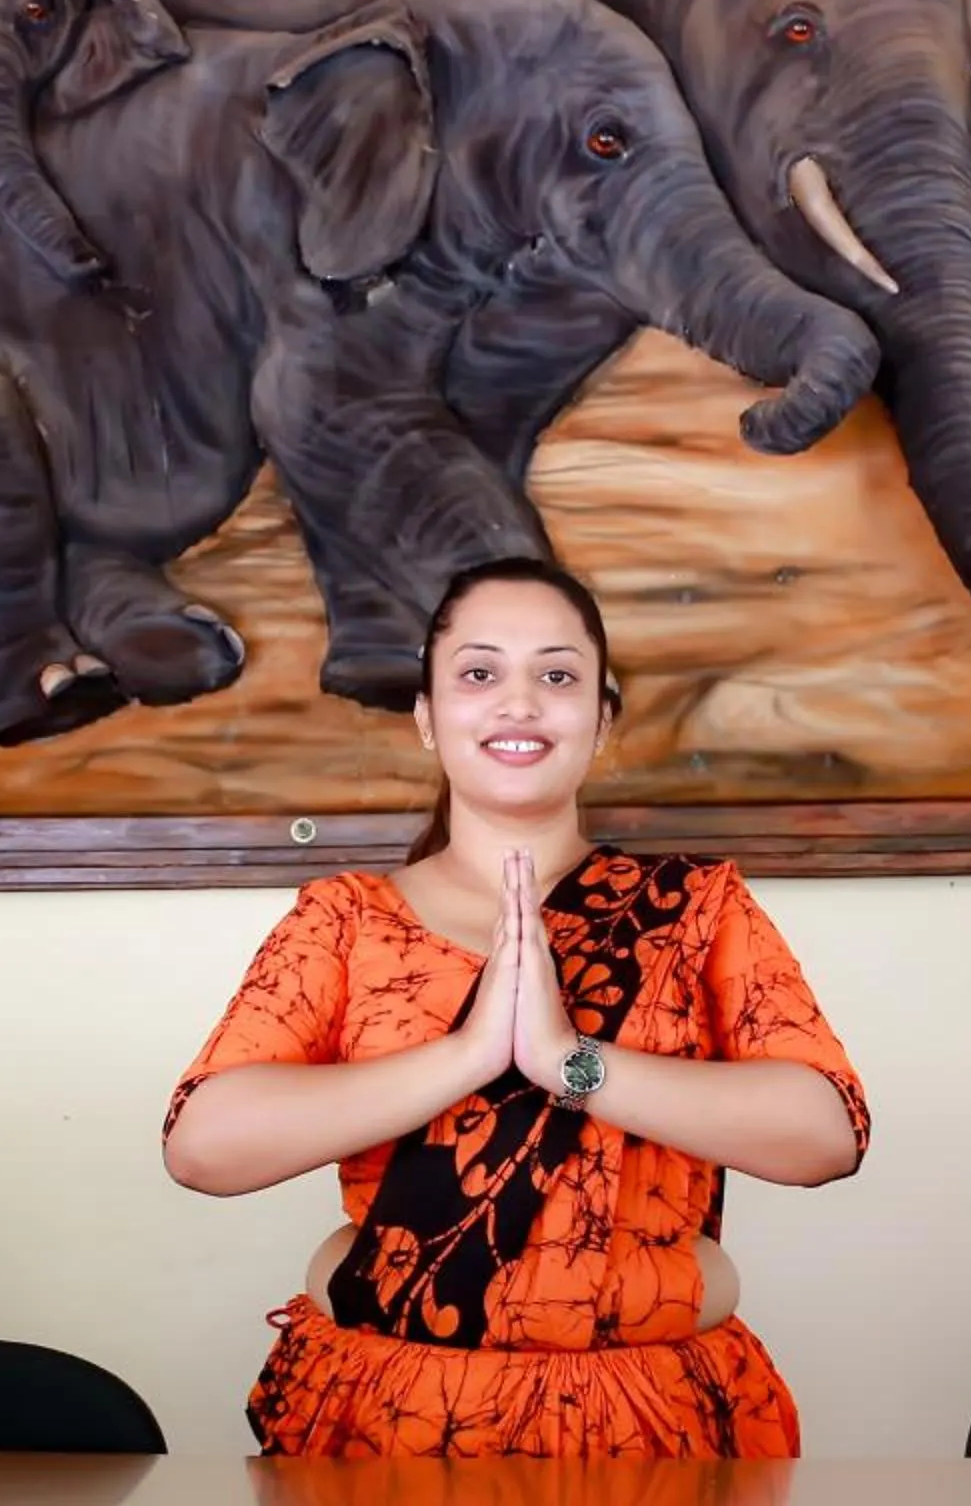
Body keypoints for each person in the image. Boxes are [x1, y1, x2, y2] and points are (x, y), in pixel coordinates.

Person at [160, 556, 871, 1459]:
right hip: (387, 1419)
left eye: (559, 675)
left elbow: (825, 1136)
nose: (520, 702)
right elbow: (203, 1147)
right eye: (479, 672)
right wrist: (465, 1056)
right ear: (427, 717)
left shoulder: (697, 908)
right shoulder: (345, 919)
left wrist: (570, 1060)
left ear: (603, 721)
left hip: (650, 1422)